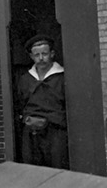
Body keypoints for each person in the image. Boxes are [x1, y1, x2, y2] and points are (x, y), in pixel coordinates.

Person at [16, 34, 68, 168]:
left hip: (55, 132)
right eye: (36, 54)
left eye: (44, 54)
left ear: (52, 54)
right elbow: (20, 104)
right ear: (31, 57)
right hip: (31, 133)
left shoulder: (63, 77)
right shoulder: (25, 80)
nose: (41, 58)